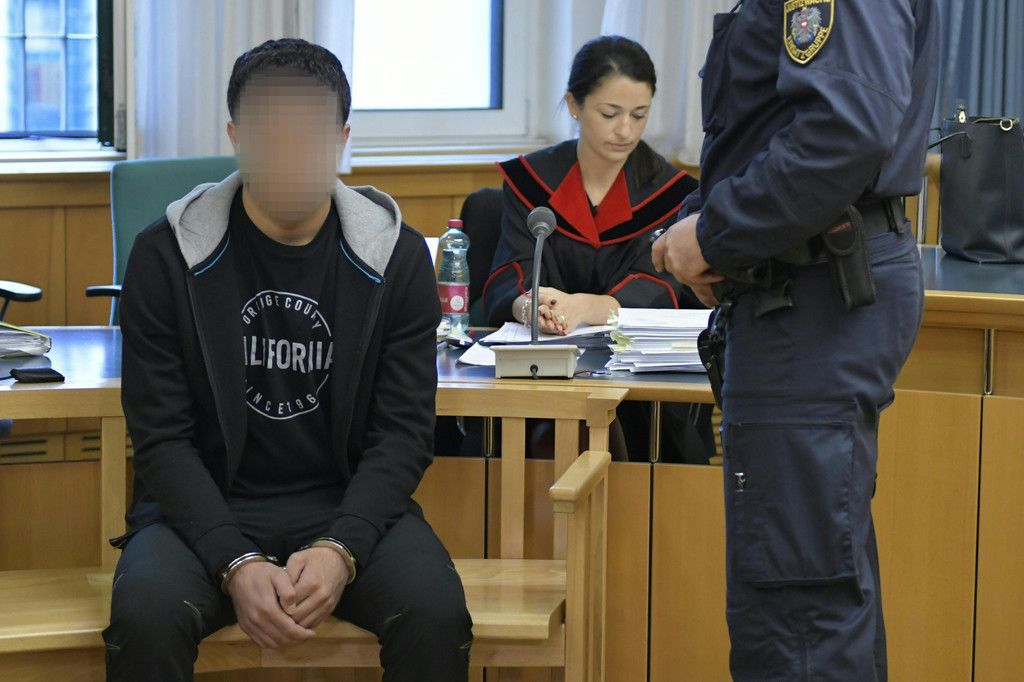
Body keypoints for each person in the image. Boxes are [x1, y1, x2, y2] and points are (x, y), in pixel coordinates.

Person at [103, 39, 472, 682]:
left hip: (343, 502)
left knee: (434, 614)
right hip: (205, 505)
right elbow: (161, 438)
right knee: (146, 616)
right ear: (236, 137)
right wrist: (234, 560)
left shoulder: (396, 256)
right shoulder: (166, 255)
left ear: (342, 139)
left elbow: (404, 433)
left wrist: (341, 547)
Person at [652, 1, 939, 679]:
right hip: (800, 288)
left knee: (798, 616)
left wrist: (718, 234)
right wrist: (710, 226)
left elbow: (844, 133)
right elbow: (775, 125)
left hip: (813, 293)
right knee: (805, 594)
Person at [484, 35, 714, 463]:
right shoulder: (531, 181)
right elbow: (511, 268)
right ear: (574, 104)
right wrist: (530, 305)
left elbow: (660, 285)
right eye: (610, 113)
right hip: (538, 382)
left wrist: (585, 307)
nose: (625, 130)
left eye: (639, 115)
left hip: (641, 390)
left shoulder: (671, 195)